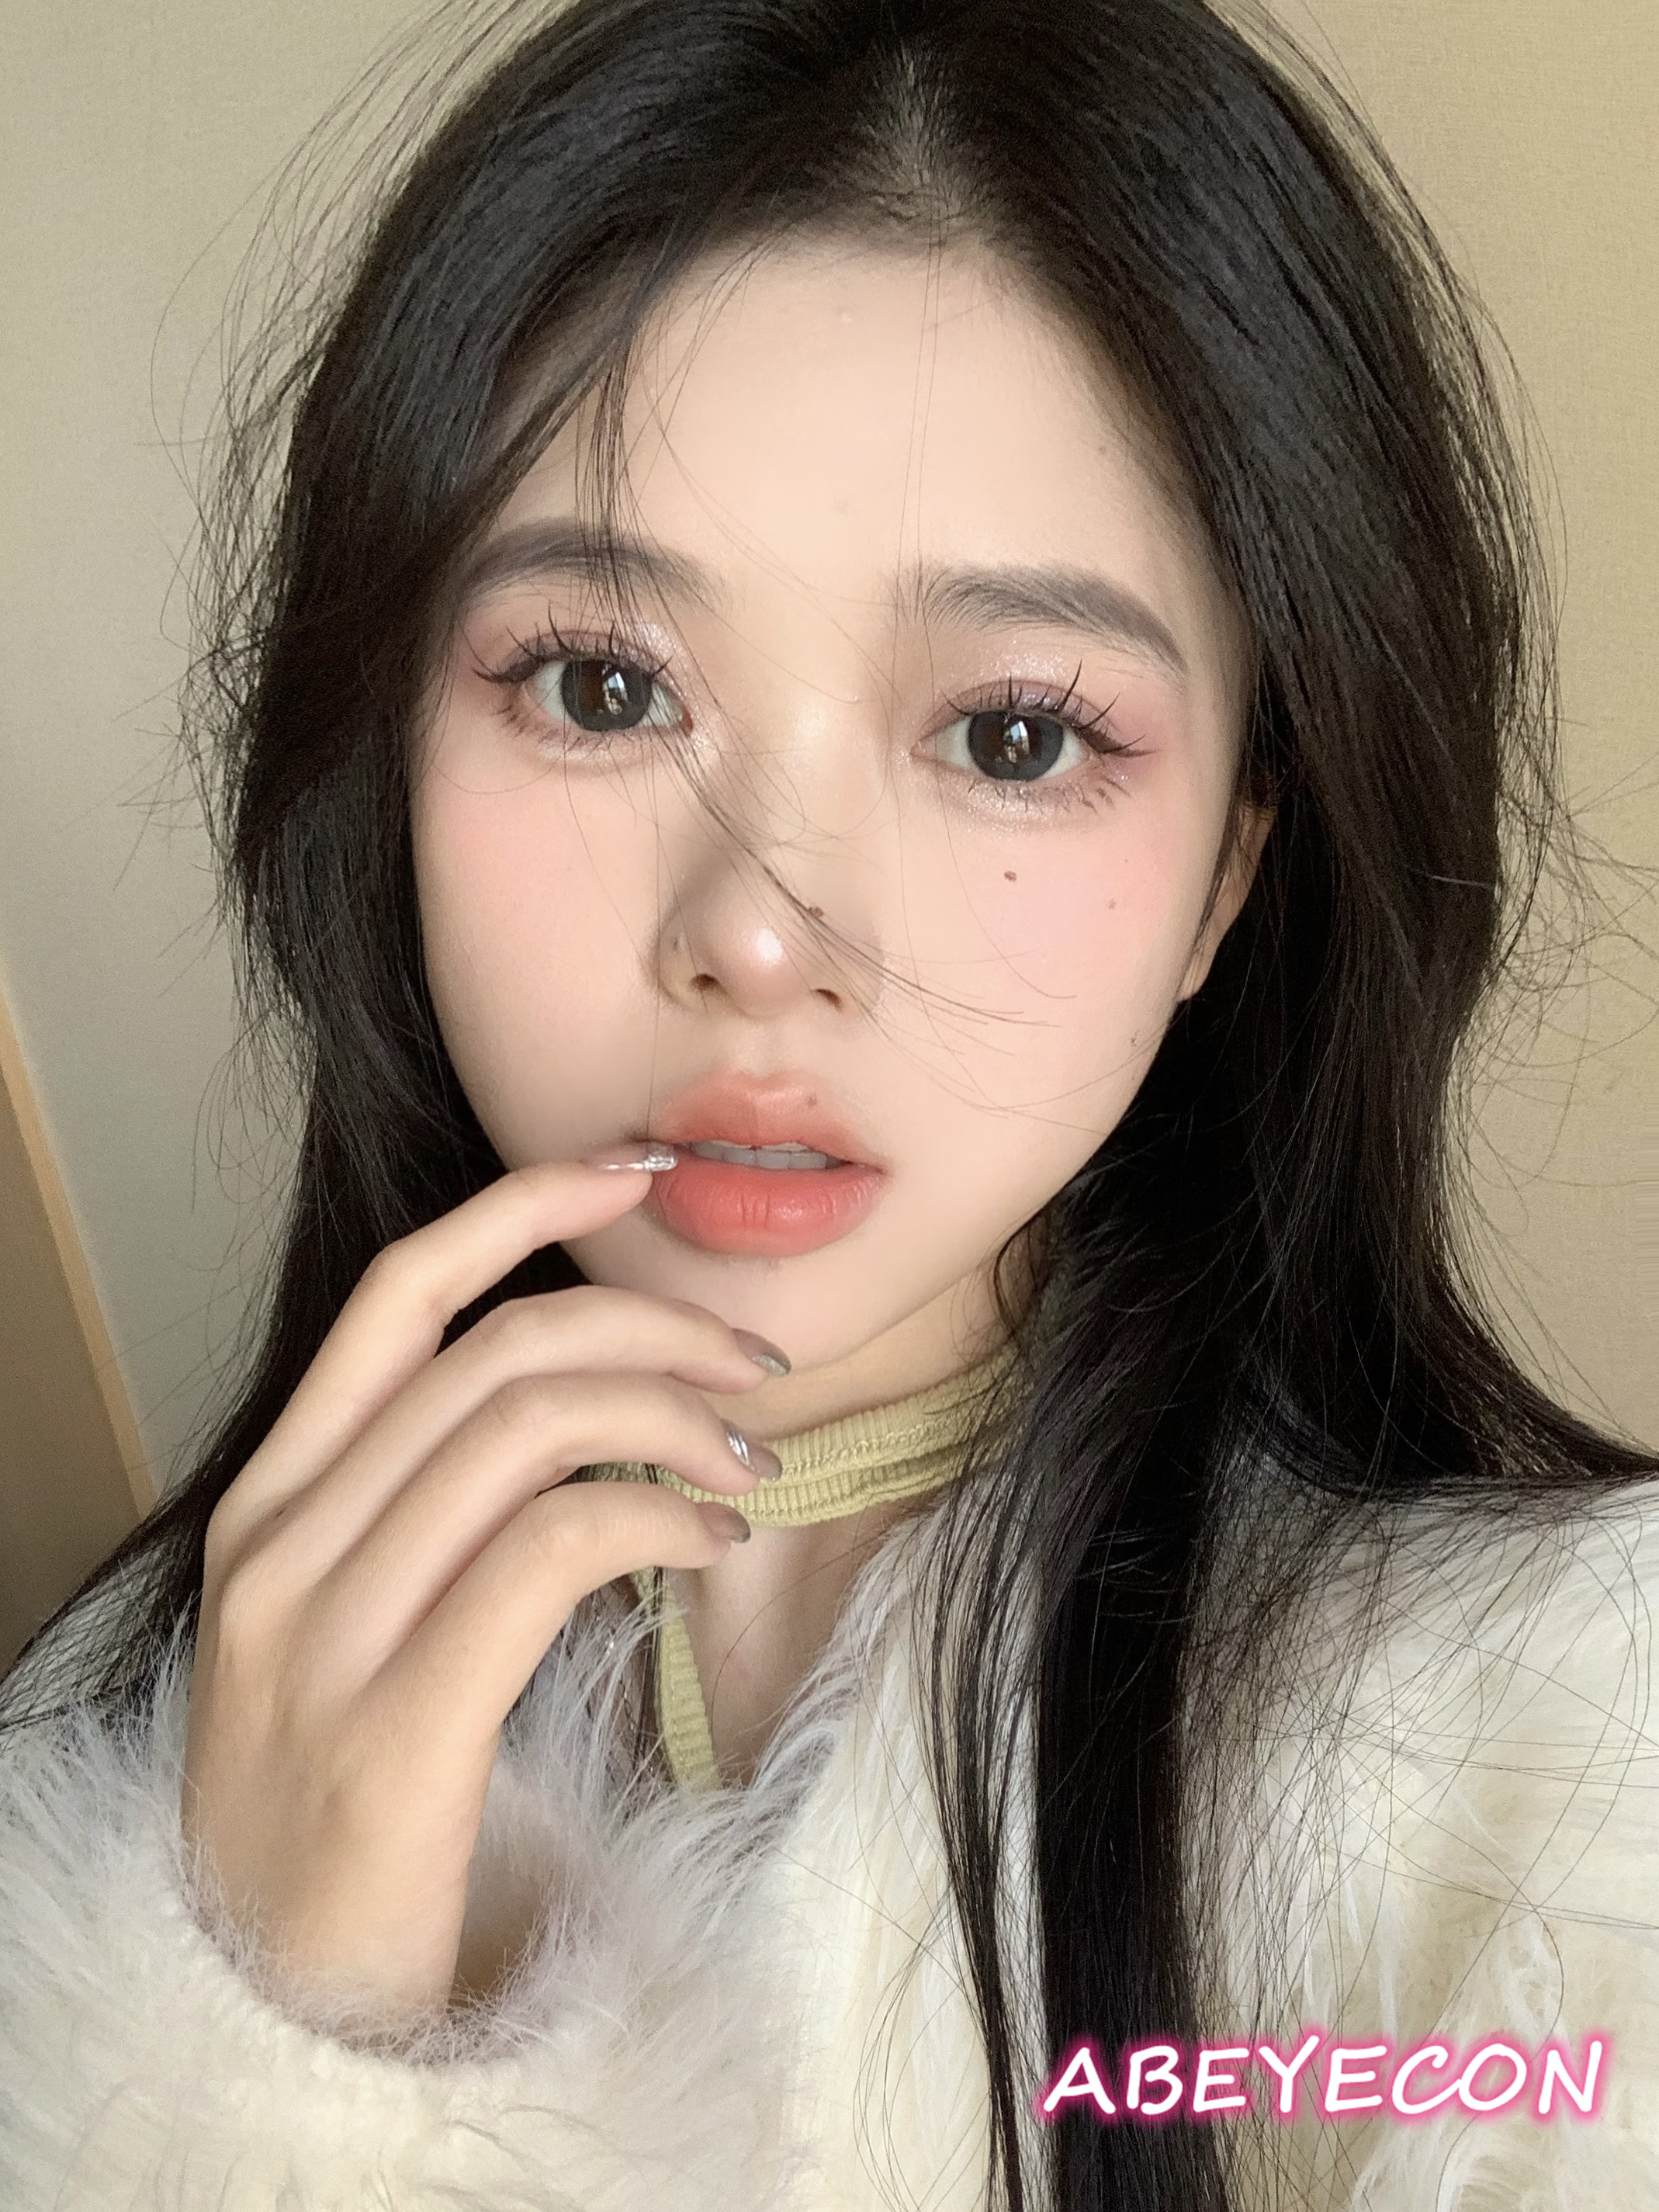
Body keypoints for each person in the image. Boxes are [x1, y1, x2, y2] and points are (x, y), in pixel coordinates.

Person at [0, 0, 1652, 2204]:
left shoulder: (1560, 1777)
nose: (764, 938)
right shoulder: (96, 1754)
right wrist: (263, 2040)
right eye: (600, 684)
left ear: (1226, 876)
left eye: (1012, 734)